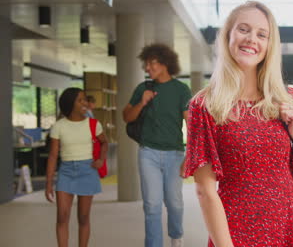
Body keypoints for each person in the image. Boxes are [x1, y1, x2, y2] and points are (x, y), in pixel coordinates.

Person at [183, 1, 293, 247]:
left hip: (292, 224)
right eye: (243, 29)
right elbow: (205, 190)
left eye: (262, 34)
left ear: (270, 45)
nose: (251, 39)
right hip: (237, 229)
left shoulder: (287, 98)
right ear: (228, 35)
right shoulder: (205, 105)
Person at [123, 43, 191, 247]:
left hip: (175, 154)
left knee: (175, 203)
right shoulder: (143, 88)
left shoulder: (181, 90)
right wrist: (141, 103)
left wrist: (190, 157)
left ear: (165, 63)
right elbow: (127, 117)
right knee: (152, 205)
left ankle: (176, 236)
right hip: (148, 153)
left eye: (151, 63)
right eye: (146, 64)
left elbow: (191, 124)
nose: (147, 68)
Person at [45, 87, 108, 247]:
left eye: (85, 99)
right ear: (70, 104)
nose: (85, 103)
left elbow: (104, 142)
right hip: (65, 172)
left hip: (88, 171)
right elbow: (53, 156)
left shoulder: (93, 124)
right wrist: (49, 183)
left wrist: (101, 159)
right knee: (62, 217)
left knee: (83, 217)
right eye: (81, 100)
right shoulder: (59, 126)